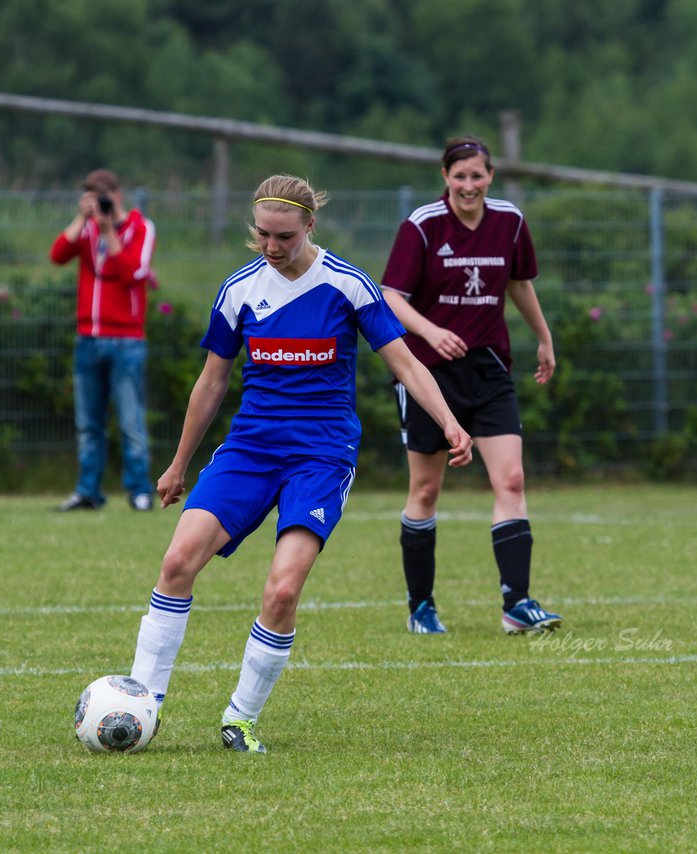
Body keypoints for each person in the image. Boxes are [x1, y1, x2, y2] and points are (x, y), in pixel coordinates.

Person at [128, 175, 473, 753]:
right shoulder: (239, 290)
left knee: (282, 592)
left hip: (320, 456)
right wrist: (178, 462)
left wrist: (450, 422)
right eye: (261, 234)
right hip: (250, 450)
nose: (270, 246)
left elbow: (408, 366)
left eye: (283, 236)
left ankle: (240, 718)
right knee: (177, 561)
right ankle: (141, 703)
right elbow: (212, 381)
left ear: (309, 226)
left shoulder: (348, 286)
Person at [380, 134, 563, 636]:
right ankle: (421, 607)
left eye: (476, 175)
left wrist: (543, 338)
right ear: (445, 178)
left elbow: (519, 283)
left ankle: (517, 604)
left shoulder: (509, 222)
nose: (468, 185)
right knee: (426, 488)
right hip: (427, 374)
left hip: (489, 370)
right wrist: (431, 331)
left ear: (490, 176)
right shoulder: (422, 226)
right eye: (458, 176)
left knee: (512, 481)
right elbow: (390, 296)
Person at [50, 168, 157, 512]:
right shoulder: (86, 229)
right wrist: (81, 220)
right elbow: (57, 255)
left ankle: (140, 491)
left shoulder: (141, 228)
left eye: (103, 196)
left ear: (117, 194)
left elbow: (133, 272)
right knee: (88, 424)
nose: (98, 203)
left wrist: (110, 232)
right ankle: (87, 491)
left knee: (131, 422)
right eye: (91, 196)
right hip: (88, 339)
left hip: (126, 342)